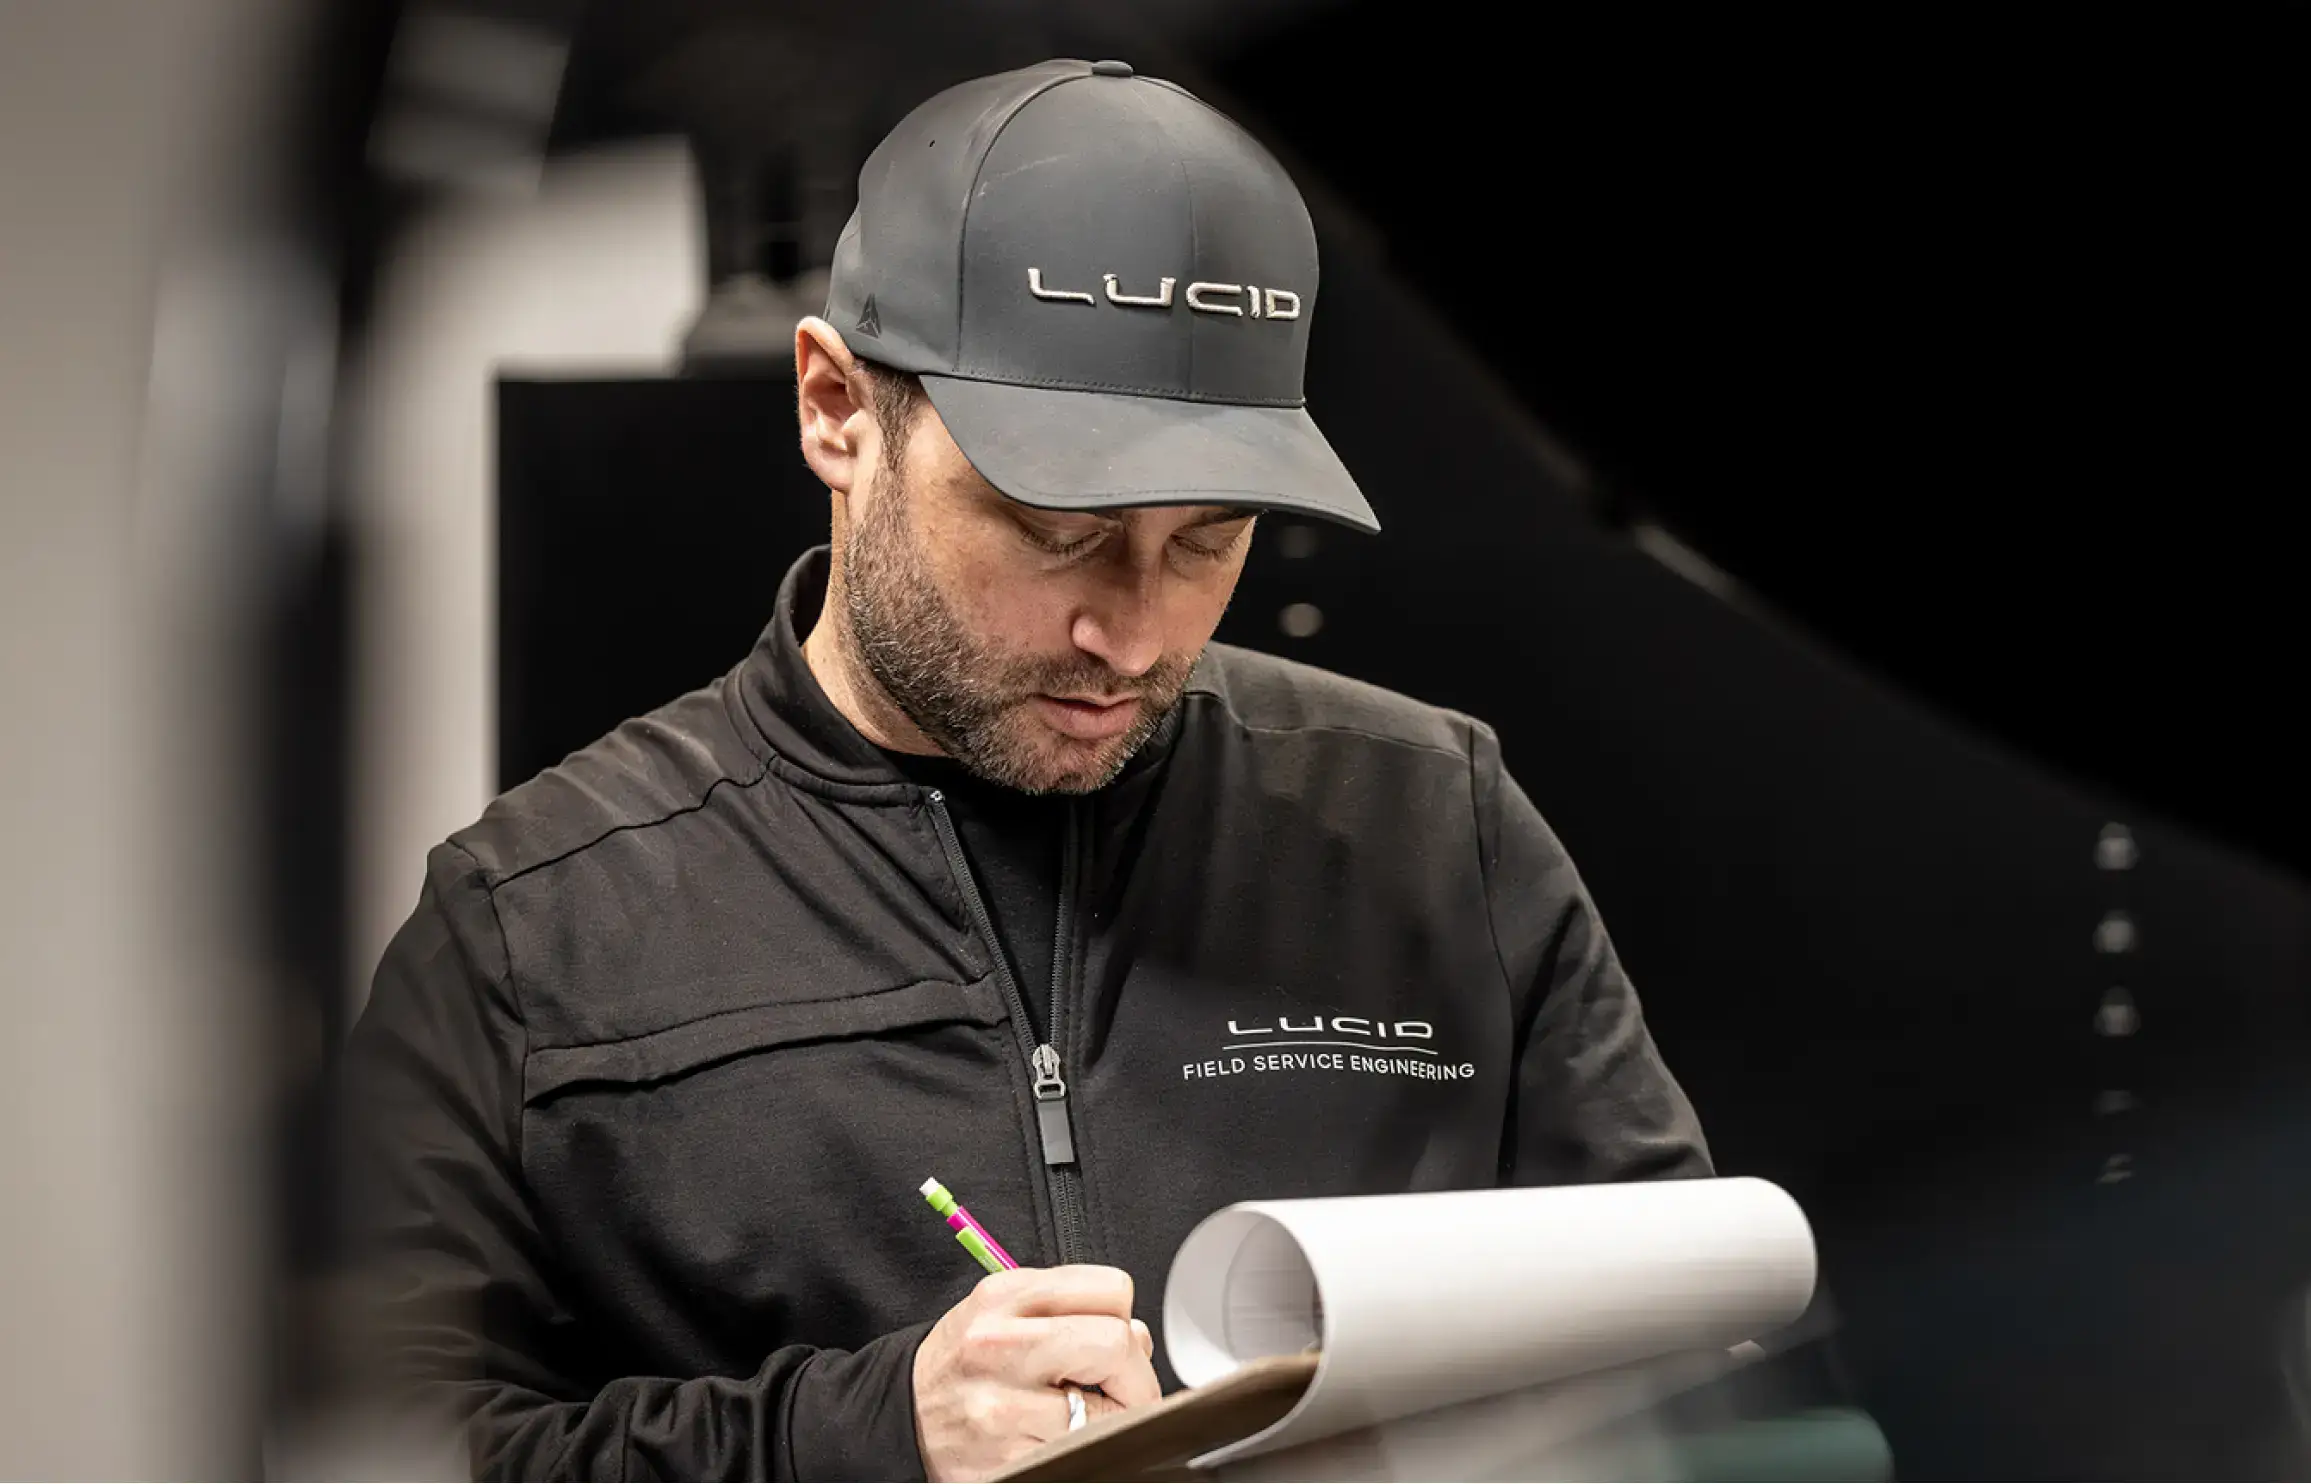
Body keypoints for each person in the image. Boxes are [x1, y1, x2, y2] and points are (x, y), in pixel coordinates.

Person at [336, 58, 1711, 1481]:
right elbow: (372, 1458)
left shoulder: (1431, 823)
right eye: (1058, 528)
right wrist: (860, 1441)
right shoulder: (532, 928)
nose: (1130, 631)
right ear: (838, 409)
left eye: (1207, 540)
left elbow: (1685, 1352)